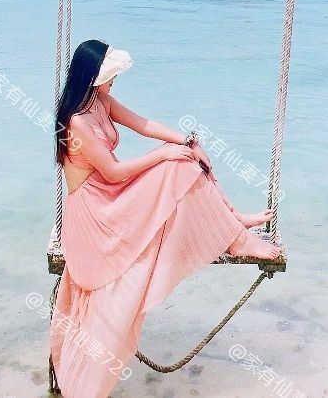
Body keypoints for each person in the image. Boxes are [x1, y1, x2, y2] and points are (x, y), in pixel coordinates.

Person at [50, 40, 280, 398]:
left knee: (185, 161)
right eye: (110, 76)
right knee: (175, 165)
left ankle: (234, 222)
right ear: (92, 77)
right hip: (96, 213)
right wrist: (166, 155)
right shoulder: (77, 121)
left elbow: (144, 125)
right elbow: (112, 172)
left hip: (111, 197)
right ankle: (235, 231)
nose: (114, 82)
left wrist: (185, 141)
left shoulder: (100, 101)